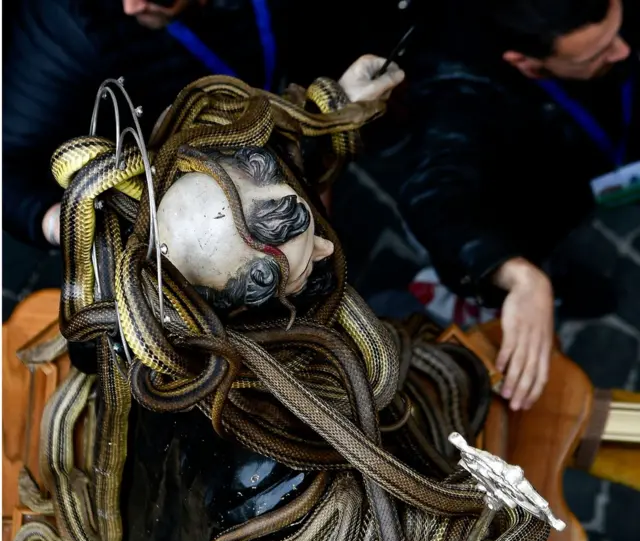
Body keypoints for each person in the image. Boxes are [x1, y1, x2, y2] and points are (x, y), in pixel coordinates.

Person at [2, 0, 408, 252]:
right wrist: (68, 223)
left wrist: (329, 113)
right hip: (174, 201)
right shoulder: (61, 23)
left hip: (269, 144)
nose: (131, 5)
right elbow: (9, 168)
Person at [396, 0, 638, 412]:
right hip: (524, 205)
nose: (622, 51)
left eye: (617, 29)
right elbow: (436, 194)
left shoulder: (596, 34)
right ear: (525, 62)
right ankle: (554, 280)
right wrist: (517, 274)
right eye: (597, 53)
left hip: (581, 165)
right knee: (542, 252)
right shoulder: (459, 90)